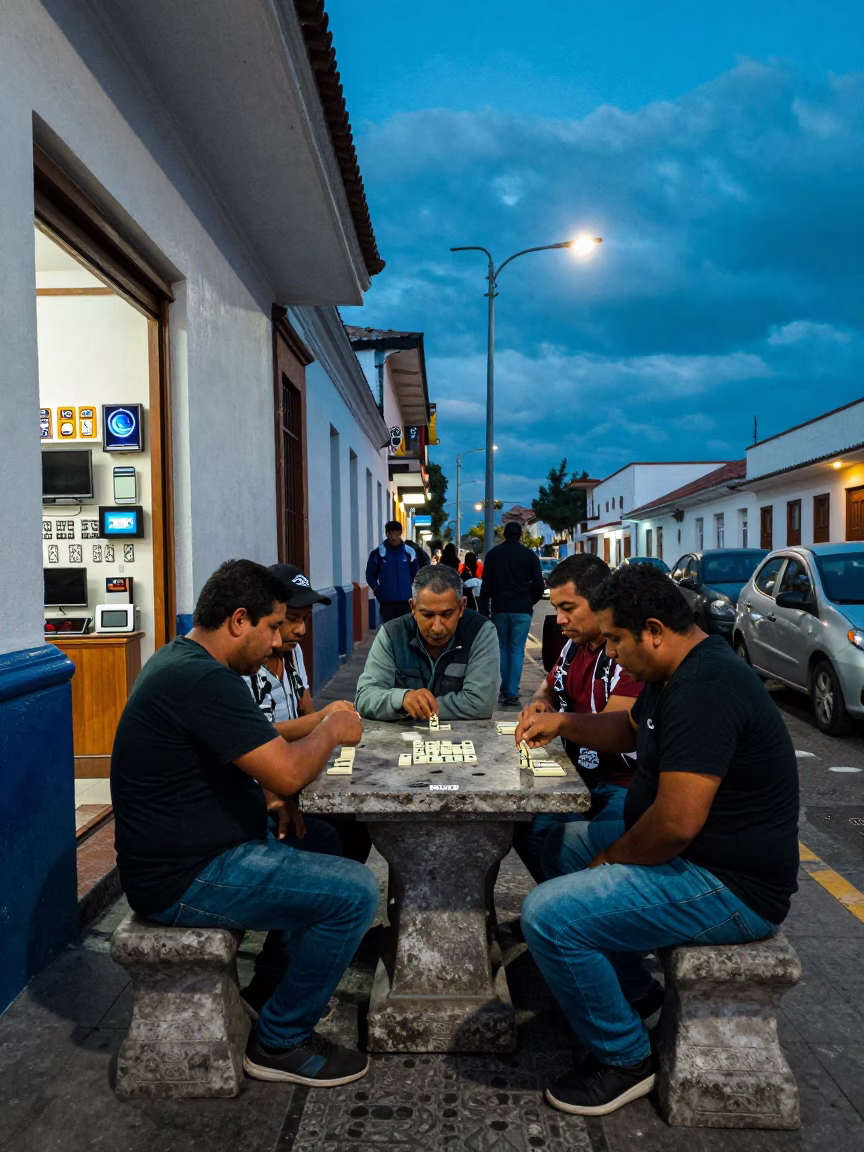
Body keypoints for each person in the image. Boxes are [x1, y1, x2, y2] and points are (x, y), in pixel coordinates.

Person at [517, 565, 799, 1117]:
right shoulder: (674, 673)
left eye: (617, 640)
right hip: (694, 858)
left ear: (652, 630)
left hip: (730, 886)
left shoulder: (706, 686)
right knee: (556, 845)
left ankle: (623, 1058)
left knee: (549, 915)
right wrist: (566, 724)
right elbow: (627, 730)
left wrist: (610, 860)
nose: (612, 653)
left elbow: (674, 825)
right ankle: (635, 991)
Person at [111, 559, 379, 1088]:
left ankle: (271, 987)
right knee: (356, 894)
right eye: (274, 627)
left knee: (327, 838)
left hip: (203, 844)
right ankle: (281, 1040)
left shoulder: (185, 662)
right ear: (239, 620)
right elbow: (288, 768)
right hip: (183, 875)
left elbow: (245, 763)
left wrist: (272, 799)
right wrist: (331, 727)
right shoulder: (201, 678)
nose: (280, 641)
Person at [512, 555, 642, 882]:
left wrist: (561, 723)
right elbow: (548, 689)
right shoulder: (574, 645)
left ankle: (577, 909)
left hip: (623, 783)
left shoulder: (627, 652)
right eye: (556, 608)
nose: (558, 619)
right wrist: (540, 705)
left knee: (577, 841)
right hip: (579, 774)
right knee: (519, 822)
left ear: (601, 601)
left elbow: (619, 730)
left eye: (568, 608)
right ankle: (557, 903)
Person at [243, 562, 370, 866]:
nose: (300, 629)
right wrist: (326, 721)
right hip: (263, 784)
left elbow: (306, 711)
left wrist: (327, 729)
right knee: (325, 838)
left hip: (295, 772)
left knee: (358, 823)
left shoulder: (293, 653)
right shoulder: (244, 664)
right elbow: (259, 735)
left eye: (306, 619)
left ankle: (343, 898)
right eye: (290, 620)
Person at [355, 563, 500, 720]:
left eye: (447, 614)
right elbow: (365, 697)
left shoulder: (481, 632)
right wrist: (402, 699)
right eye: (427, 615)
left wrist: (411, 707)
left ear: (462, 606)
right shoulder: (392, 634)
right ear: (413, 607)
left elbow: (480, 704)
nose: (437, 628)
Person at [479, 520, 544, 707]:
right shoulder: (530, 556)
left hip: (500, 608)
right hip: (522, 609)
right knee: (517, 650)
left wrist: (485, 609)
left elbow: (486, 586)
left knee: (501, 649)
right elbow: (539, 584)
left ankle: (502, 689)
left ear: (504, 535)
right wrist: (530, 601)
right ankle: (512, 692)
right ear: (520, 535)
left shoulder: (493, 555)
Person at [366, 521, 419, 623]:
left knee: (405, 630)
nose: (394, 537)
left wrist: (415, 592)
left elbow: (416, 575)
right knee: (390, 630)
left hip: (407, 600)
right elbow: (370, 574)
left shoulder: (410, 552)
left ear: (400, 533)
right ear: (387, 534)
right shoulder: (378, 553)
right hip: (387, 601)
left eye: (397, 534)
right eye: (392, 534)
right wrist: (376, 588)